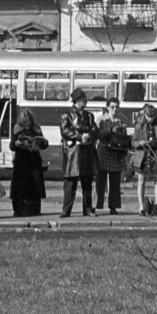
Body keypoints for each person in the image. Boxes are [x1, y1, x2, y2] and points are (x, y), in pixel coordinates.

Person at [59, 90, 100, 218]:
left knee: (87, 182)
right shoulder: (66, 116)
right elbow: (65, 131)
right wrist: (80, 136)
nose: (86, 101)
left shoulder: (89, 116)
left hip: (87, 151)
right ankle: (66, 210)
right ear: (77, 101)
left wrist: (89, 135)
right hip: (73, 153)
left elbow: (94, 129)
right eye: (84, 99)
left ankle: (87, 209)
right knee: (70, 183)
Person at [8, 109, 48, 218]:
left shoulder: (36, 128)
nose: (27, 124)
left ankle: (35, 209)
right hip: (21, 161)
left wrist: (43, 142)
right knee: (20, 187)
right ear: (21, 122)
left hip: (34, 160)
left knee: (35, 186)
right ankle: (18, 210)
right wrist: (17, 143)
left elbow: (43, 145)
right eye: (25, 122)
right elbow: (11, 146)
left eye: (28, 121)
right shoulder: (17, 129)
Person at [131, 103, 157, 217]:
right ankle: (141, 207)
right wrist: (140, 143)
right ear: (144, 114)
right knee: (141, 180)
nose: (150, 119)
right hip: (143, 155)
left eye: (152, 117)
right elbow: (133, 142)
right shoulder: (138, 126)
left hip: (156, 154)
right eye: (148, 116)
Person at [95, 101, 129, 215]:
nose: (114, 109)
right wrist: (110, 130)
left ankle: (113, 207)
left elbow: (124, 137)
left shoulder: (121, 122)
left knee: (115, 183)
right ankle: (96, 205)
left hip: (116, 154)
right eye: (112, 107)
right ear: (107, 107)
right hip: (103, 152)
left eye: (116, 107)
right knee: (100, 182)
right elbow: (98, 134)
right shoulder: (101, 120)